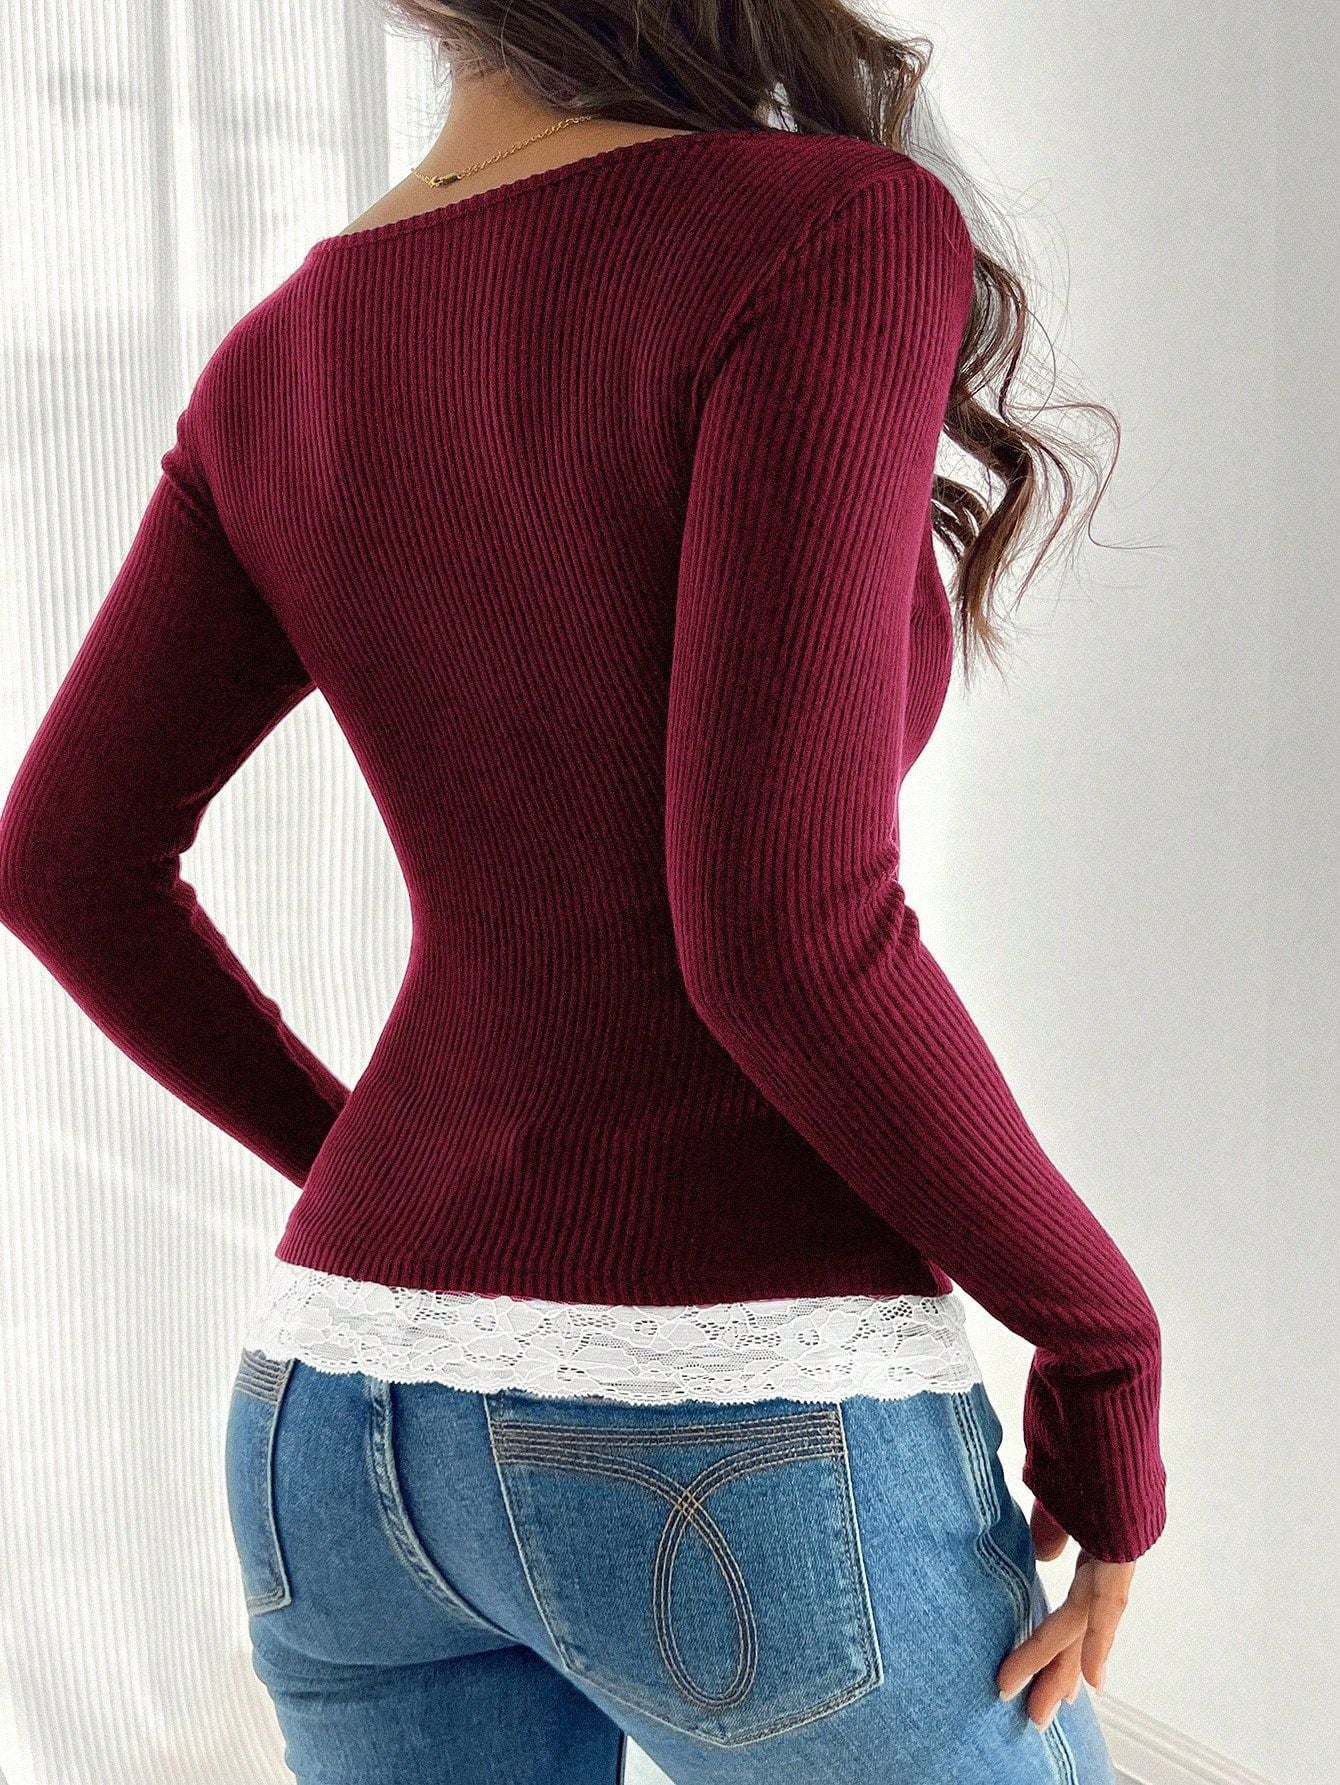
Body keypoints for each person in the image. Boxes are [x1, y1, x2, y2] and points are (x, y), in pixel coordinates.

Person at [0, 3, 1166, 1779]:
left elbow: (59, 863)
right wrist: (1099, 1338)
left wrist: (374, 1172)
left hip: (336, 1422)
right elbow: (780, 937)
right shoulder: (827, 229)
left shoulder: (280, 357)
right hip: (733, 1408)